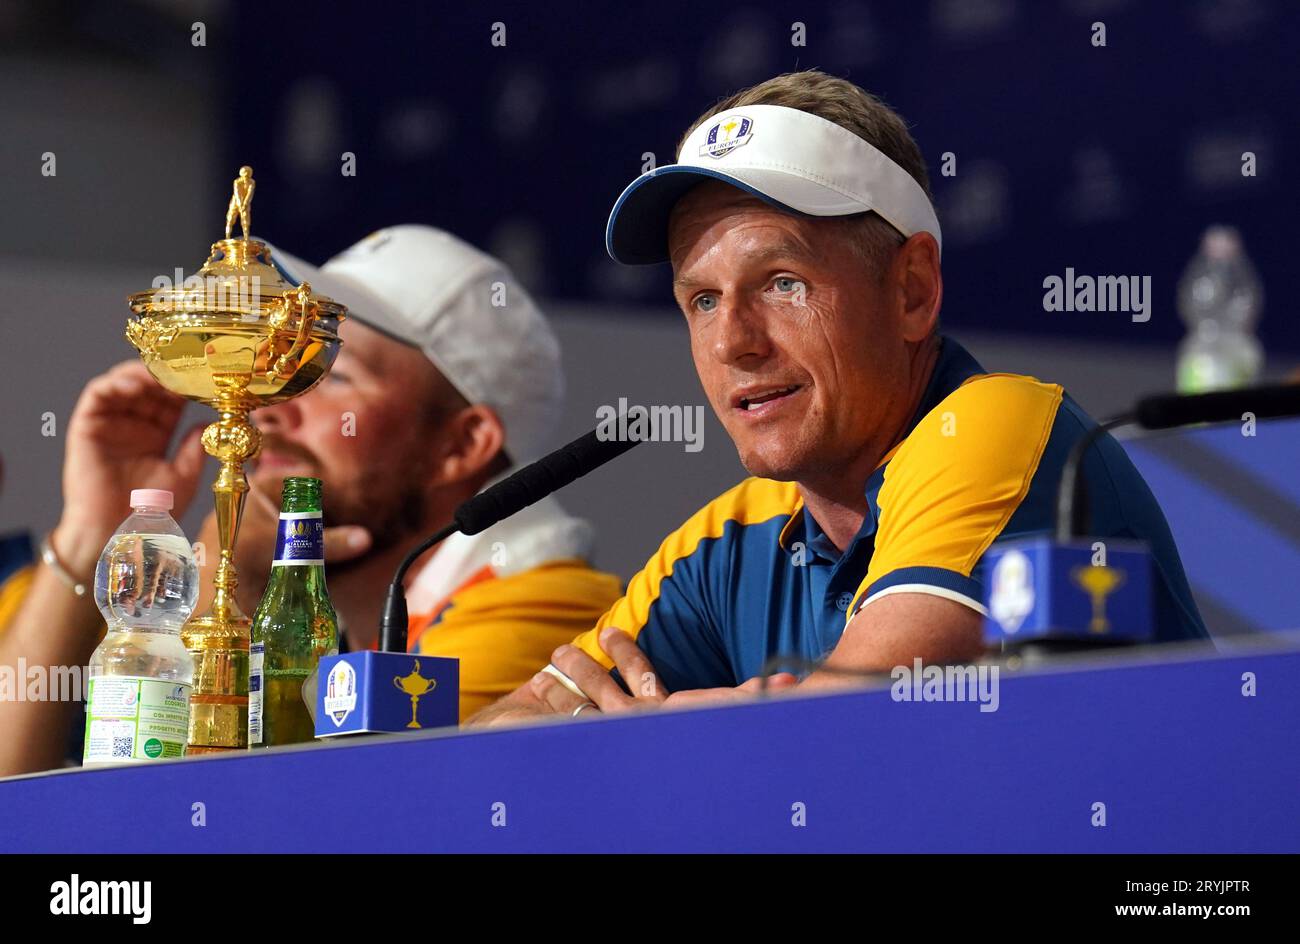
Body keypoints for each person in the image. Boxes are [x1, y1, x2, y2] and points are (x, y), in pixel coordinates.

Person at [470, 70, 1208, 725]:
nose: (732, 342)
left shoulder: (995, 424)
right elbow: (497, 745)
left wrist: (667, 734)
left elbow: (851, 725)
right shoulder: (726, 540)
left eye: (782, 283)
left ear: (912, 290)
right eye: (700, 299)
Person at [0, 225, 621, 776]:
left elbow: (210, 823)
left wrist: (232, 576)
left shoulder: (542, 610)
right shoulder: (349, 611)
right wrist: (91, 532)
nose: (276, 402)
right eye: (294, 359)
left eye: (330, 375)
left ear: (462, 445)